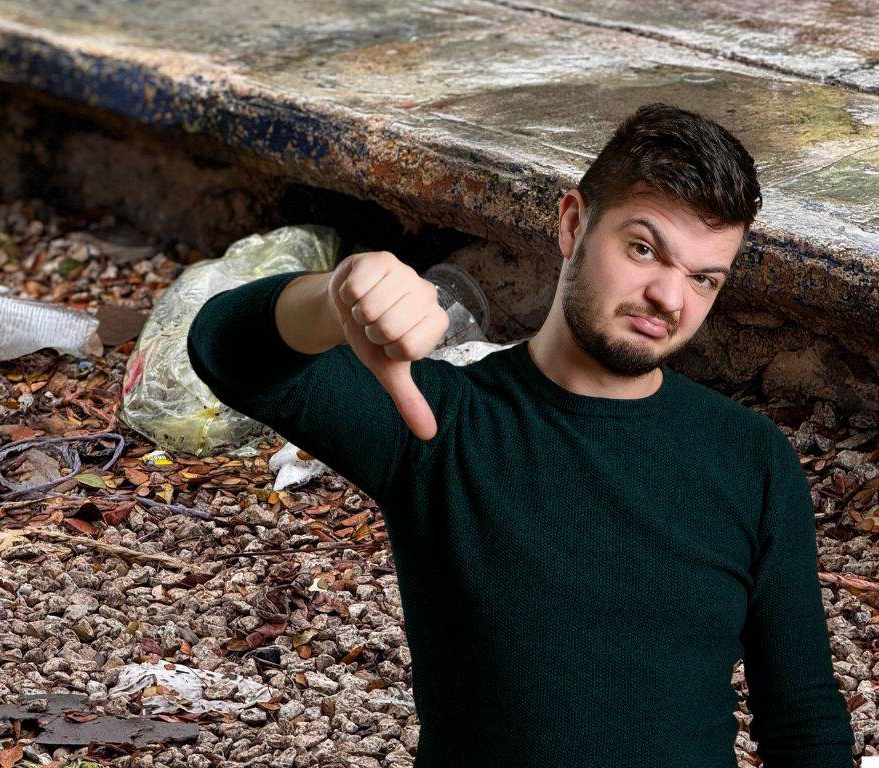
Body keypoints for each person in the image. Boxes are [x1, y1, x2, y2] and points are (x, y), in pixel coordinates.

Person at [185, 103, 856, 767]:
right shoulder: (442, 422)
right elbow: (228, 354)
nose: (670, 299)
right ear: (573, 226)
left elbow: (802, 718)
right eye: (645, 249)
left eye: (704, 278)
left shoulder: (749, 458)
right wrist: (332, 297)